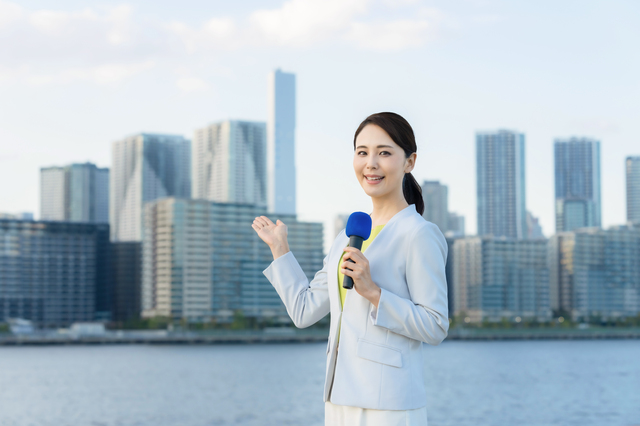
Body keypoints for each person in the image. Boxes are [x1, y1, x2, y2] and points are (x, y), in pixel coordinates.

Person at [251, 112, 449, 425]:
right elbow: (304, 311)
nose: (370, 163)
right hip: (338, 401)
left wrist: (373, 292)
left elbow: (435, 326)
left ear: (409, 162)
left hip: (390, 405)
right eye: (362, 152)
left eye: (384, 152)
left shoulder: (419, 234)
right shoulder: (347, 235)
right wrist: (280, 249)